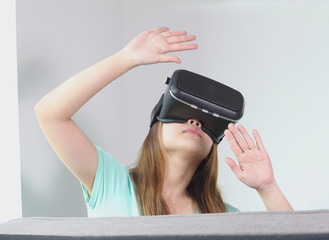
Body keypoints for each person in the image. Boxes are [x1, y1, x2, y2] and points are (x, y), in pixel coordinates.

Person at [35, 27, 293, 217]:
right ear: (156, 125)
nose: (195, 120)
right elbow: (50, 114)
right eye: (181, 110)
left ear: (214, 145)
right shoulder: (112, 184)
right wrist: (126, 58)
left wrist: (268, 188)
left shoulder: (222, 217)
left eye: (206, 119)